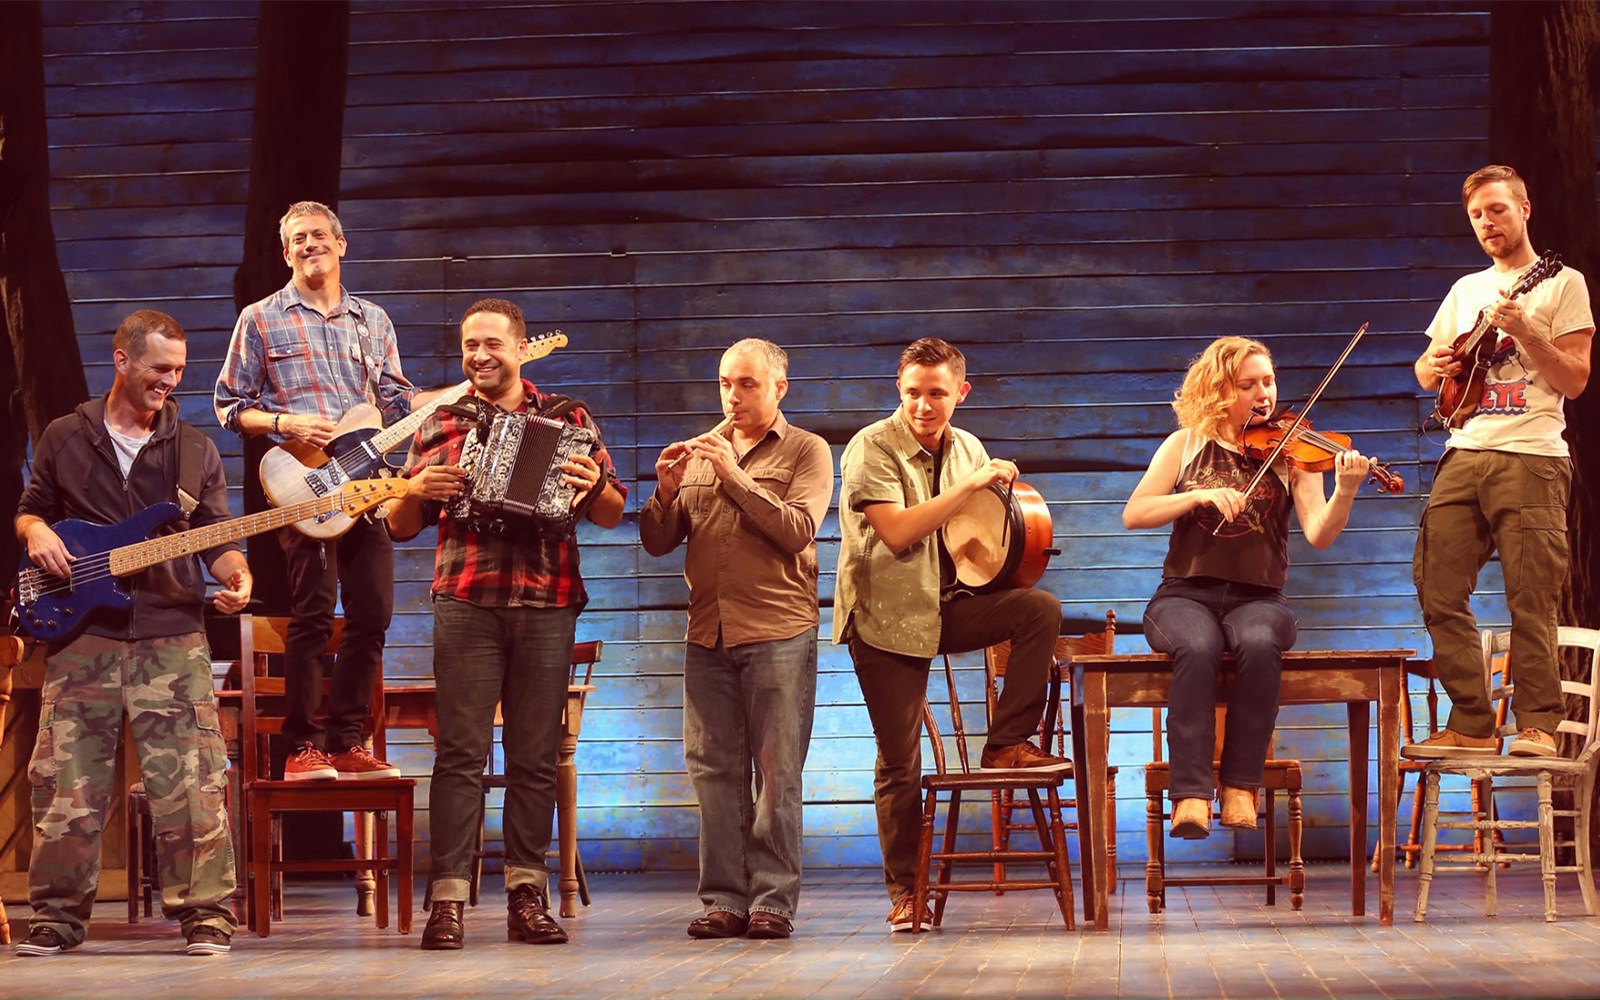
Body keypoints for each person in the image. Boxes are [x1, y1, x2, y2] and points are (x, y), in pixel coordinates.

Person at [386, 298, 626, 951]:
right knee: (460, 752)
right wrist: (414, 490)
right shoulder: (440, 421)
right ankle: (449, 902)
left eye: (493, 344)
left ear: (522, 348)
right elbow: (400, 526)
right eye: (470, 345)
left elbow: (609, 510)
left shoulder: (567, 417)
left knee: (533, 756)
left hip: (548, 600)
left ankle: (527, 895)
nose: (480, 356)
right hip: (467, 600)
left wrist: (592, 481)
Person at [14, 310, 249, 957]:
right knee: (67, 784)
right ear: (121, 361)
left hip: (172, 635)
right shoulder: (65, 436)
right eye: (158, 369)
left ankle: (205, 916)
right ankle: (57, 919)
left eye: (177, 370)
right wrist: (36, 533)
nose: (169, 381)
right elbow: (33, 510)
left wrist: (237, 574)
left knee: (192, 785)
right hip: (82, 638)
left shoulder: (194, 449)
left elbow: (220, 538)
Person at [834, 337, 1069, 933]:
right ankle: (906, 889)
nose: (923, 405)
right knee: (900, 760)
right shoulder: (870, 447)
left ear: (960, 393)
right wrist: (969, 486)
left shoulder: (968, 447)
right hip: (885, 618)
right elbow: (898, 533)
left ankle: (1005, 741)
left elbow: (977, 539)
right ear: (899, 389)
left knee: (1037, 607)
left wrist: (1008, 550)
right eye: (913, 392)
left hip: (947, 606)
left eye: (937, 393)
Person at [214, 200, 443, 781]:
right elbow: (228, 406)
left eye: (320, 235)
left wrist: (454, 393)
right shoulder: (261, 319)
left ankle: (346, 743)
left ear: (342, 244)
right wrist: (285, 424)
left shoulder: (374, 320)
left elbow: (394, 404)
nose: (310, 244)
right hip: (306, 485)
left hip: (367, 487)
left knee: (373, 614)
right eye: (298, 238)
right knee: (313, 615)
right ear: (286, 252)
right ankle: (301, 748)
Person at [1121, 336, 1370, 839]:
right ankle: (1190, 794)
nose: (1264, 393)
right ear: (1219, 390)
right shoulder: (1186, 443)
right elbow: (1135, 513)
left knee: (1258, 643)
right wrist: (1197, 497)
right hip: (1185, 595)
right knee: (1197, 644)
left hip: (1260, 599)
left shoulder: (1292, 453)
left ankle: (1240, 786)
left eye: (1269, 381)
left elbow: (1319, 532)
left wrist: (1344, 491)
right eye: (1248, 384)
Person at [639, 339, 834, 941]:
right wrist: (667, 490)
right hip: (708, 632)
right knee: (714, 771)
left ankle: (773, 901)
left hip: (778, 627)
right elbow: (657, 540)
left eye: (747, 384)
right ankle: (724, 898)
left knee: (777, 773)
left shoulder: (808, 450)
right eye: (726, 383)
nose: (733, 396)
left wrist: (732, 474)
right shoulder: (700, 454)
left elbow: (797, 530)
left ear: (779, 388)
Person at [1405, 164, 1593, 761]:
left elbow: (1575, 379)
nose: (1487, 222)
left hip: (1532, 456)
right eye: (1477, 215)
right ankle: (1472, 719)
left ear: (1524, 210)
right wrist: (1434, 368)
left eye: (1497, 210)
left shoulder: (1563, 284)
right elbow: (1427, 364)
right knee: (1436, 585)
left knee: (1530, 596)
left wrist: (1527, 331)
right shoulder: (1465, 290)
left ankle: (1538, 723)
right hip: (1464, 450)